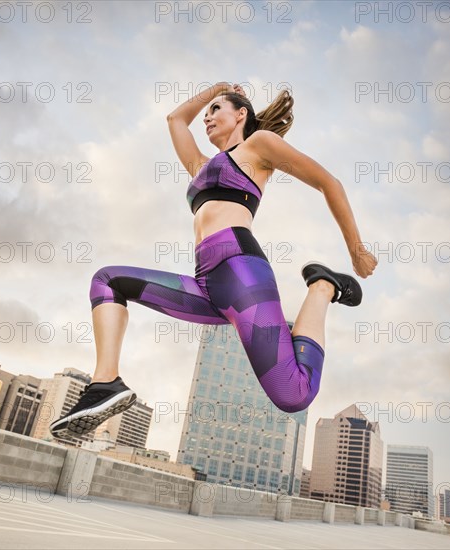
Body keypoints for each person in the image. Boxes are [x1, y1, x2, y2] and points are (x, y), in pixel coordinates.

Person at [49, 82, 378, 439]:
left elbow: (328, 182)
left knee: (294, 394)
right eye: (206, 113)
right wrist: (215, 90)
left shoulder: (259, 146)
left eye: (216, 109)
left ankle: (322, 286)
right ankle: (105, 384)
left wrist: (357, 249)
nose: (206, 118)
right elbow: (176, 119)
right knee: (107, 281)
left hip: (241, 274)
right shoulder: (202, 166)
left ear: (241, 114)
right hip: (204, 283)